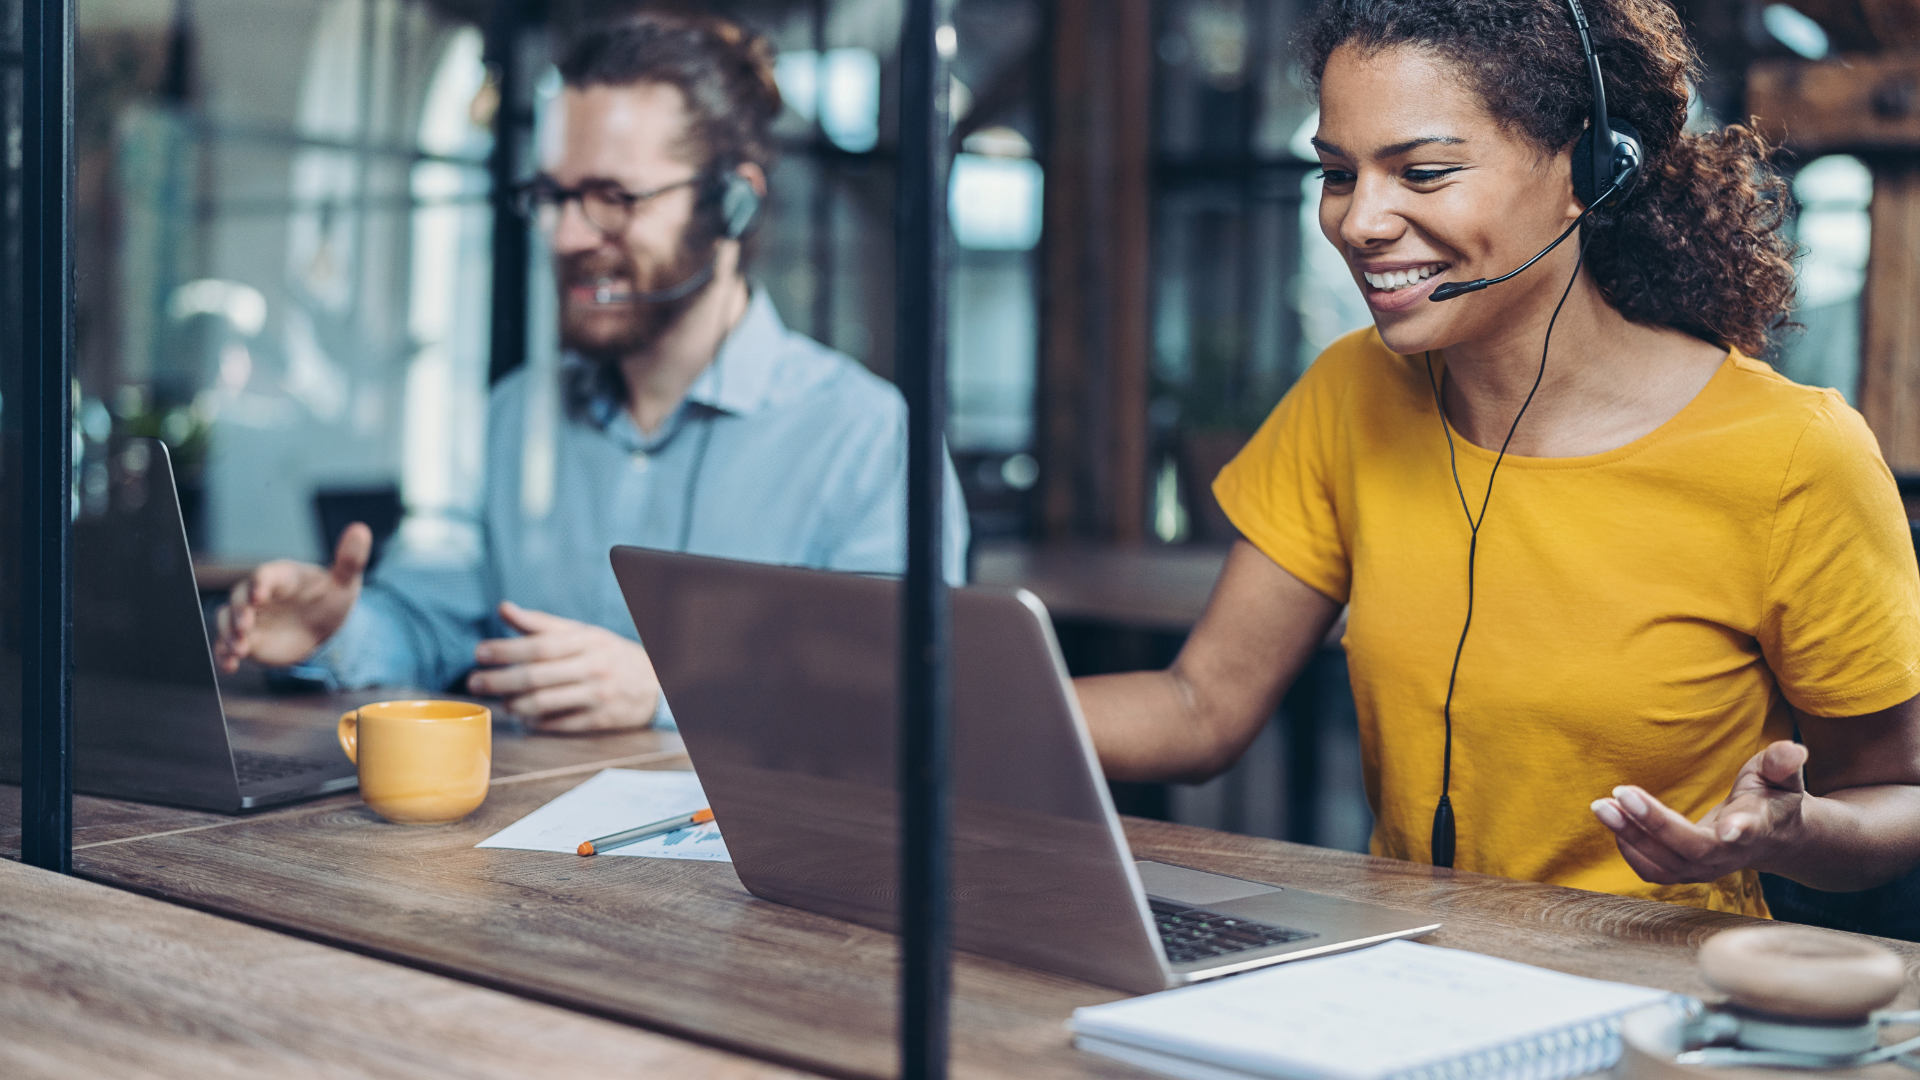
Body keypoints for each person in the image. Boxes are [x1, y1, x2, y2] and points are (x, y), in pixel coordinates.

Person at [1076, 0, 1920, 916]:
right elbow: (1201, 707)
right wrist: (926, 699)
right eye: (1336, 173)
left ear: (1588, 172)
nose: (1360, 222)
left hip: (1659, 1016)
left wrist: (1791, 834)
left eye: (1425, 173)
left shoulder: (1794, 455)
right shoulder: (1350, 391)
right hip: (1403, 981)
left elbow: (1894, 797)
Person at [214, 12, 968, 732]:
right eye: (554, 196)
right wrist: (336, 631)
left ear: (734, 204)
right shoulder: (515, 416)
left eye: (614, 198)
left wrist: (666, 691)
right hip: (521, 858)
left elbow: (899, 699)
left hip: (749, 866)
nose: (570, 235)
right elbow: (437, 626)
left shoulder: (866, 438)